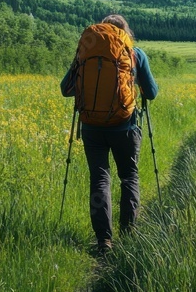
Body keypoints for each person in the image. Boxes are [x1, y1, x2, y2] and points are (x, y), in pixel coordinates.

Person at [61, 14, 158, 255]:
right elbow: (152, 93)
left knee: (100, 180)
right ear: (125, 32)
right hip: (124, 126)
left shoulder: (85, 53)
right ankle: (129, 234)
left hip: (92, 127)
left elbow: (66, 89)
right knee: (129, 177)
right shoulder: (135, 53)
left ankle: (104, 241)